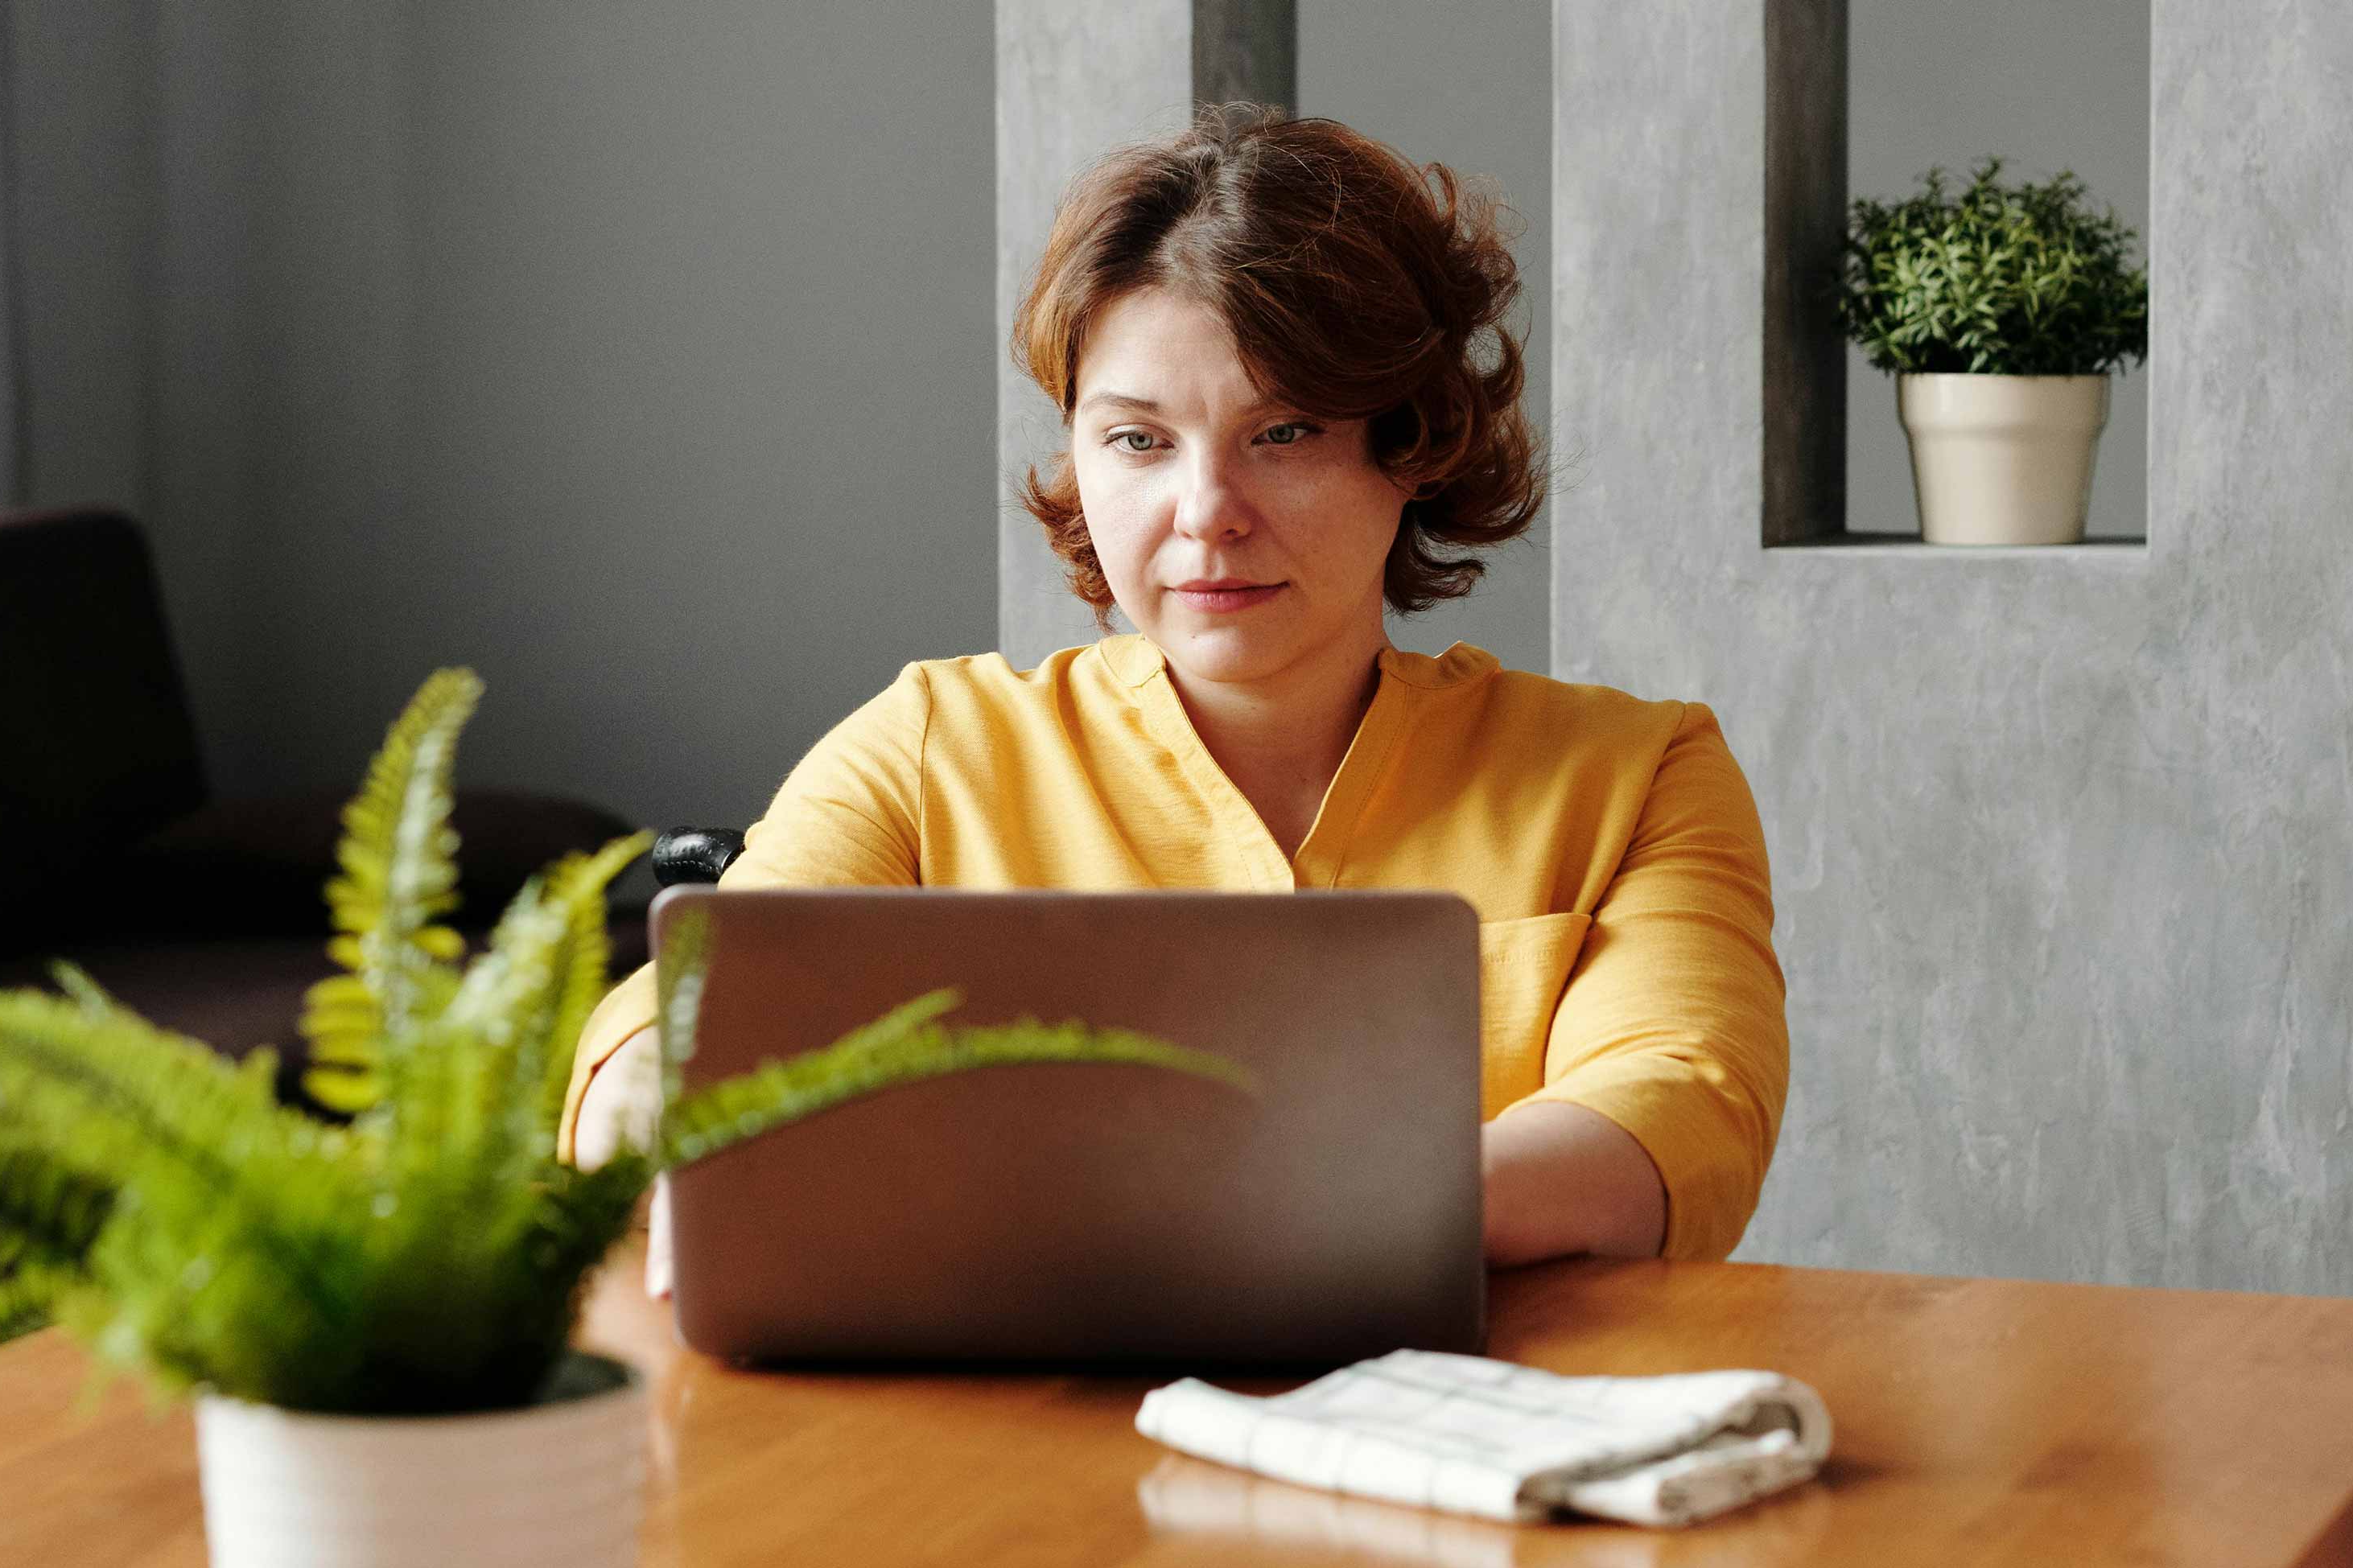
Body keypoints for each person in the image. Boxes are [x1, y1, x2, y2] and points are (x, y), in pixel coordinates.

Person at [565, 105, 1787, 1268]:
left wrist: (1264, 1213)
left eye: (1286, 433)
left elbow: (1682, 1111)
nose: (1207, 518)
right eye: (1139, 440)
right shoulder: (932, 748)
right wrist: (658, 1140)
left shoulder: (1636, 774)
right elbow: (665, 1039)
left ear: (1412, 443)